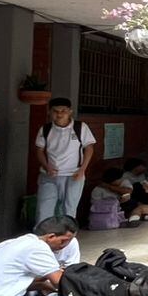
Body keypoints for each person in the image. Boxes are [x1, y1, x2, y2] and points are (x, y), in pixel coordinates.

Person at [34, 97, 96, 227]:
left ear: (70, 112)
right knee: (44, 209)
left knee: (69, 209)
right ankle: (42, 241)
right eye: (55, 111)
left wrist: (82, 170)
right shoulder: (45, 129)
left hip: (74, 175)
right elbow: (39, 150)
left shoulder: (80, 127)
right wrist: (47, 166)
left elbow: (89, 148)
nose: (59, 114)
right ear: (50, 112)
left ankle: (65, 241)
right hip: (50, 175)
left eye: (63, 111)